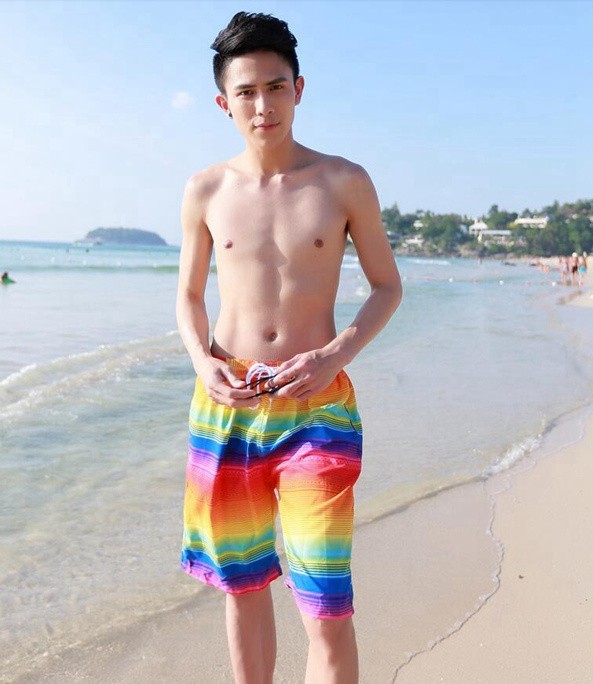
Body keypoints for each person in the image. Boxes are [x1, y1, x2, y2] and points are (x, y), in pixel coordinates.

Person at [175, 12, 402, 684]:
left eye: (276, 87)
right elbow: (188, 296)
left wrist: (334, 355)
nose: (263, 105)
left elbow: (387, 287)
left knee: (326, 607)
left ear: (299, 89)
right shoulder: (206, 189)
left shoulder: (343, 181)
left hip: (317, 406)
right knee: (242, 587)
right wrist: (203, 363)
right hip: (228, 407)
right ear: (224, 103)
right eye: (246, 92)